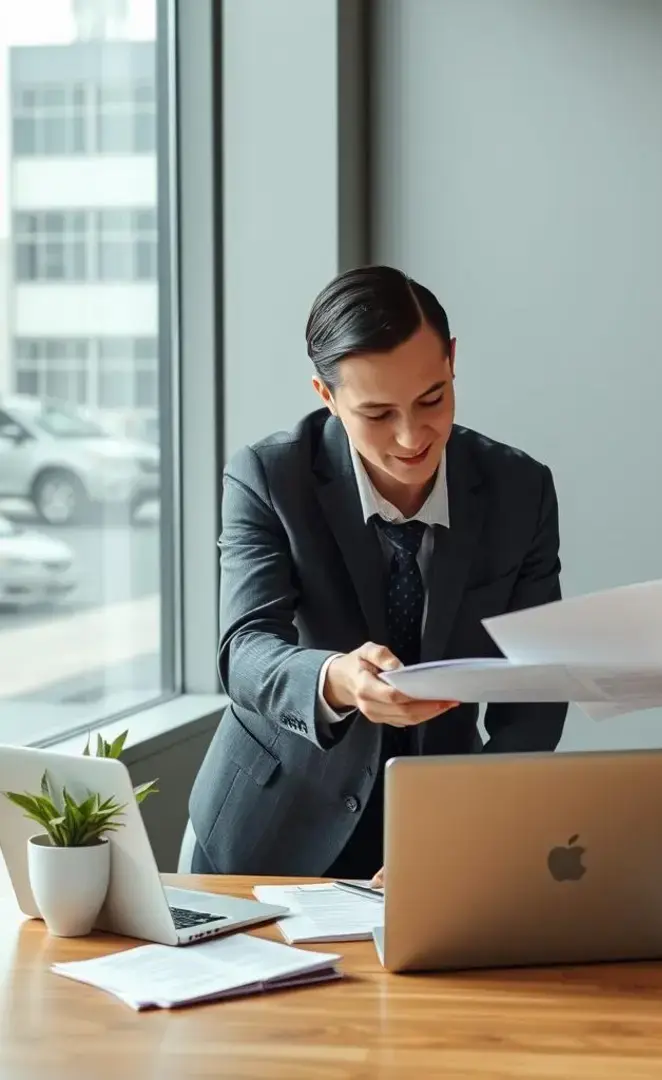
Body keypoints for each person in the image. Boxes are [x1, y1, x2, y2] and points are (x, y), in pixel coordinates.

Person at [187, 266, 567, 878]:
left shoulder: (521, 489)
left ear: (451, 360)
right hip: (270, 829)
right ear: (327, 397)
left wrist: (465, 824)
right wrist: (337, 678)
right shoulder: (266, 477)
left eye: (432, 399)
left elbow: (535, 691)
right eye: (377, 413)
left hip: (443, 826)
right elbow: (245, 651)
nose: (413, 436)